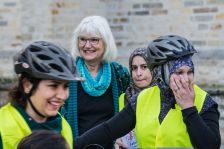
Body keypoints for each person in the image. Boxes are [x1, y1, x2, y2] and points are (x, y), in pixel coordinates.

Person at [74, 35, 221, 149]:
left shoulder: (204, 101)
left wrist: (189, 108)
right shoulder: (143, 99)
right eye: (179, 72)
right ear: (159, 72)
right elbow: (108, 130)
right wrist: (72, 145)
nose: (186, 79)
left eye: (190, 72)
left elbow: (210, 145)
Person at [0, 41, 83, 149]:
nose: (62, 95)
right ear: (27, 85)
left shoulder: (64, 126)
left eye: (66, 86)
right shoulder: (2, 125)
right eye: (53, 85)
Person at [63, 16, 130, 148]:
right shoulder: (68, 74)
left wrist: (123, 137)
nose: (87, 45)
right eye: (82, 39)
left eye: (94, 40)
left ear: (106, 42)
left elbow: (130, 112)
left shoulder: (119, 74)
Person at [115, 48, 152, 149]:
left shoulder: (163, 97)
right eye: (134, 68)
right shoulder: (123, 98)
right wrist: (116, 141)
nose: (138, 73)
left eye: (144, 67)